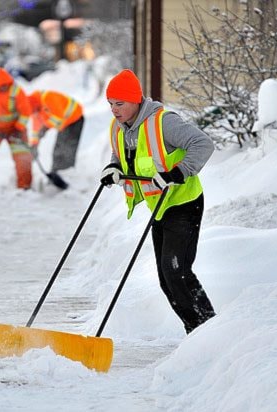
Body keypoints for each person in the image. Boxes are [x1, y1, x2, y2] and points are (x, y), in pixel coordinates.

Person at [99, 69, 216, 334]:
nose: (115, 110)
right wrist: (113, 167)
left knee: (177, 271)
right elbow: (123, 156)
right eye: (111, 104)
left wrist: (178, 172)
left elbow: (203, 144)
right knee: (166, 278)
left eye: (120, 103)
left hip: (184, 204)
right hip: (160, 207)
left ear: (136, 101)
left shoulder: (163, 122)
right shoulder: (119, 128)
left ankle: (207, 329)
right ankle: (197, 330)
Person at [27, 90, 84, 173]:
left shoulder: (48, 97)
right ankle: (56, 173)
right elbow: (36, 130)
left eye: (33, 112)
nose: (34, 114)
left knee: (66, 150)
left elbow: (58, 119)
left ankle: (66, 174)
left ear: (34, 105)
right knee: (58, 150)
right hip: (65, 124)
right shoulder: (36, 110)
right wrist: (34, 145)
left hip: (75, 120)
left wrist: (45, 128)